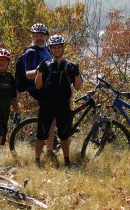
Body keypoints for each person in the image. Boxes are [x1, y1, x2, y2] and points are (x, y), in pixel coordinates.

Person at [34, 34, 82, 167]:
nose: (56, 50)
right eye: (54, 48)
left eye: (59, 47)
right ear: (50, 49)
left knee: (64, 135)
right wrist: (39, 73)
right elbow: (38, 86)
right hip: (47, 105)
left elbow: (78, 87)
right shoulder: (45, 65)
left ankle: (67, 161)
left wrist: (77, 74)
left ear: (63, 48)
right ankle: (37, 160)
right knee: (41, 134)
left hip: (63, 106)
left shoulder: (70, 66)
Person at [24, 23, 57, 155]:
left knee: (53, 119)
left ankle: (50, 149)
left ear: (46, 36)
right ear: (32, 36)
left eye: (41, 35)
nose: (38, 38)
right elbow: (28, 74)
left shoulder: (48, 50)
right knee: (48, 121)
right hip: (38, 90)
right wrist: (40, 70)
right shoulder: (31, 52)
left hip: (49, 87)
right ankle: (46, 152)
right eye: (36, 35)